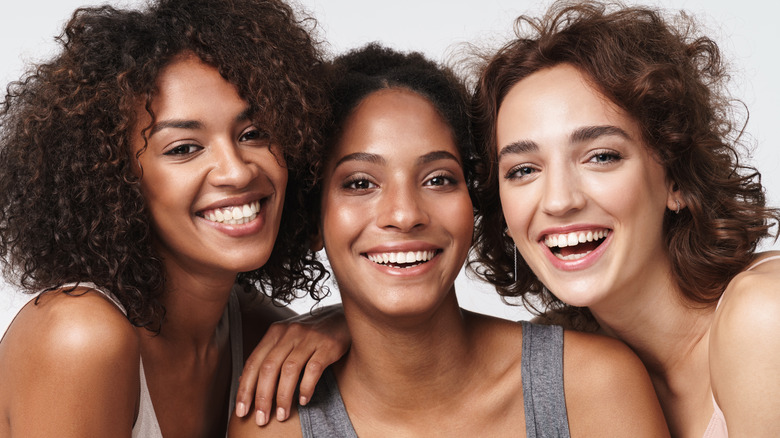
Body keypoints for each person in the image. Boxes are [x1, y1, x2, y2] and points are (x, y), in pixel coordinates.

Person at [230, 43, 669, 437]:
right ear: (311, 219)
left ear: (475, 202)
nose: (404, 215)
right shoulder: (274, 421)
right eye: (361, 183)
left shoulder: (591, 385)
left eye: (439, 179)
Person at [0, 0, 349, 436]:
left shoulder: (263, 331)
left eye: (253, 134)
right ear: (114, 178)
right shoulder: (79, 337)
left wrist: (348, 323)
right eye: (184, 148)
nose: (238, 170)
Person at [470, 1, 780, 436]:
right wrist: (345, 323)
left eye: (601, 156)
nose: (559, 201)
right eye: (523, 170)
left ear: (676, 179)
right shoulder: (565, 363)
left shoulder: (766, 314)